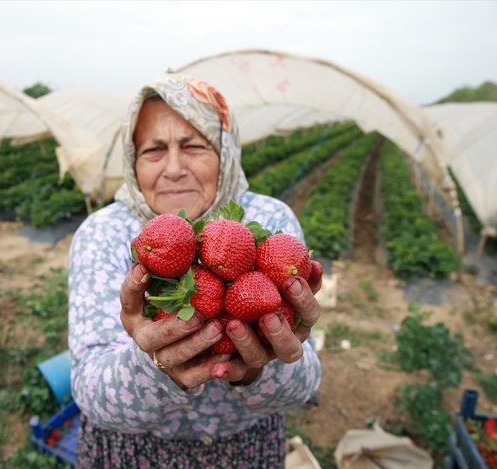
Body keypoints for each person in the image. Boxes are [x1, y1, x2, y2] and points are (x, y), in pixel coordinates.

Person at [68, 73, 323, 468]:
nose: (173, 168)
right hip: (135, 453)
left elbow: (304, 384)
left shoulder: (269, 220)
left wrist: (261, 367)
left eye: (193, 146)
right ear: (131, 161)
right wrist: (152, 368)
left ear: (225, 151)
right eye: (153, 150)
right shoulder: (104, 233)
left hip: (243, 449)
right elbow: (90, 393)